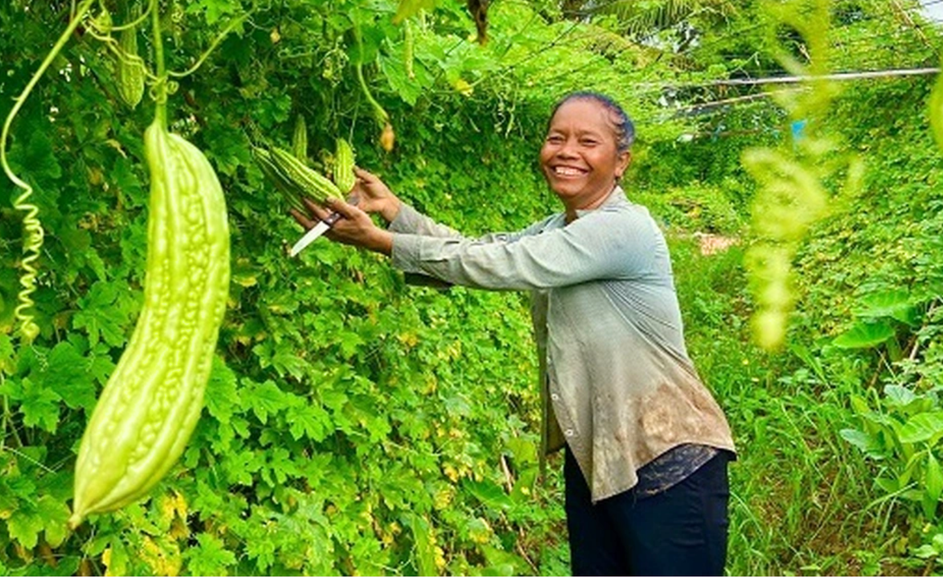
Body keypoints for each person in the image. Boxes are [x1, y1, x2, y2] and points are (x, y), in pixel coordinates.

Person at [292, 91, 737, 576]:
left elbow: (505, 264)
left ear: (621, 162)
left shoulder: (625, 229)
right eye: (556, 138)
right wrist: (396, 212)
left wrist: (382, 242)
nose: (567, 151)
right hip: (599, 458)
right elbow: (479, 248)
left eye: (588, 141)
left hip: (667, 460)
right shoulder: (558, 228)